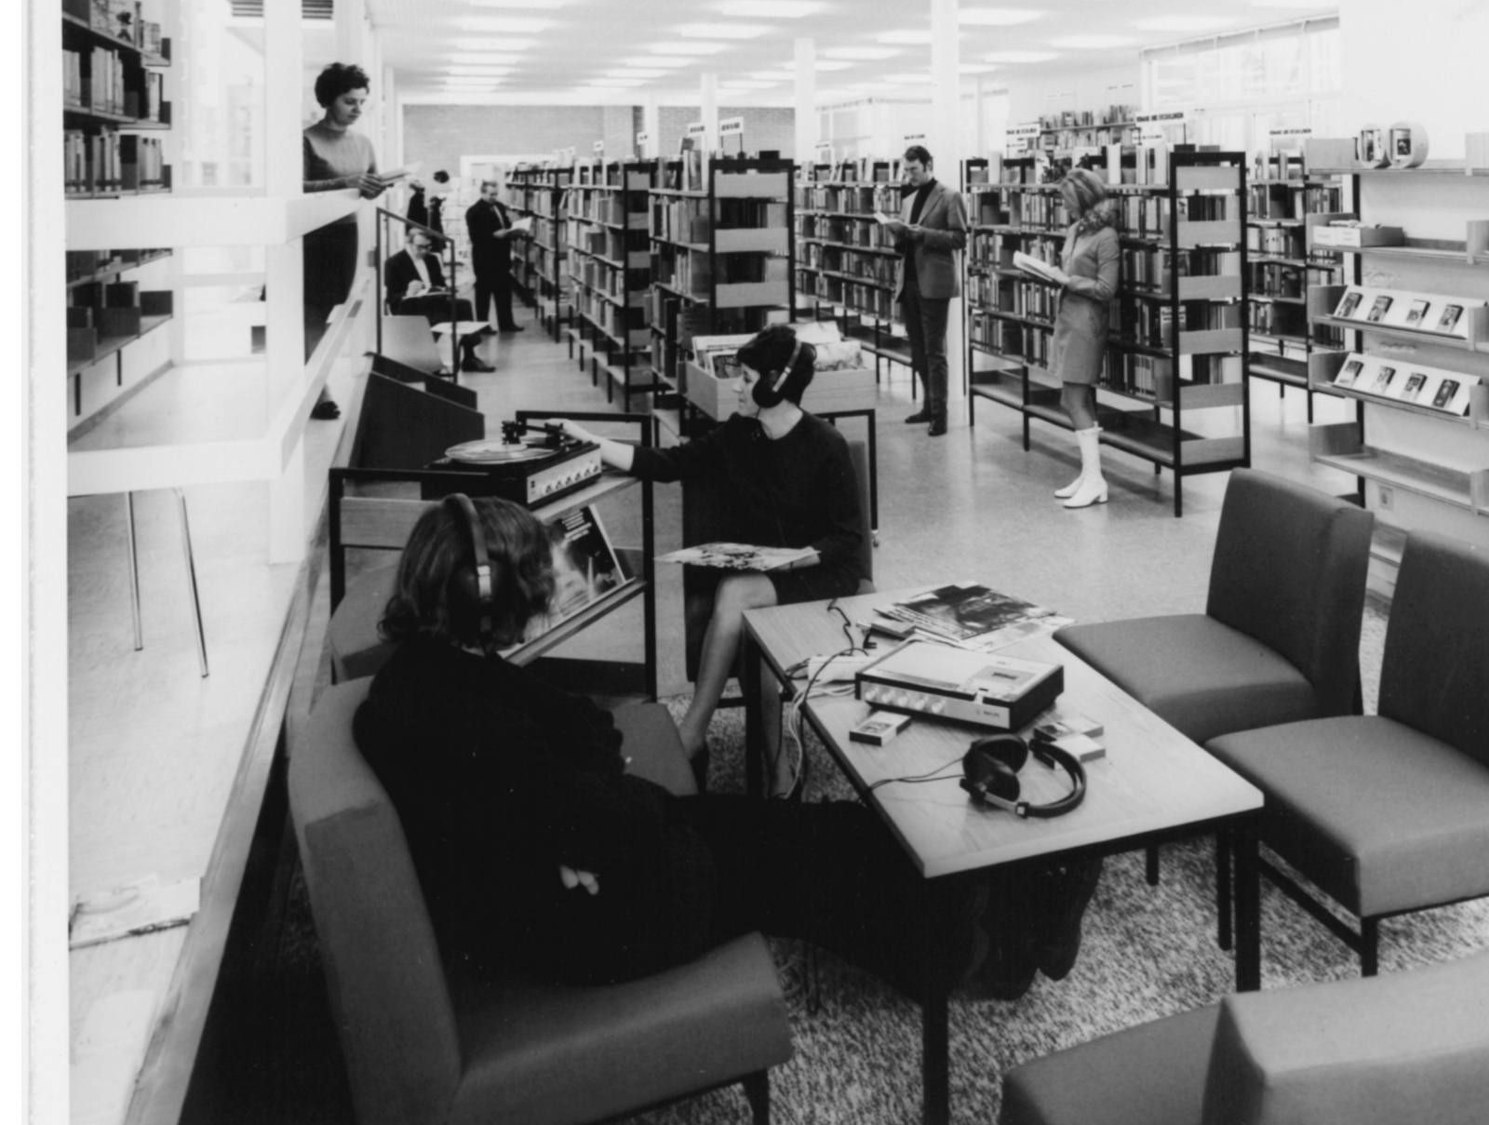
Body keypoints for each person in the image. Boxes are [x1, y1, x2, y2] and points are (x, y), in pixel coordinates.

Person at [353, 492, 1100, 997]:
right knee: (804, 873)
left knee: (805, 834)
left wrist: (576, 826)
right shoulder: (461, 713)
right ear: (488, 597)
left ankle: (990, 912)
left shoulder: (431, 673)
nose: (543, 600)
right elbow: (599, 791)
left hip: (588, 878)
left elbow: (592, 730)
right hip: (581, 926)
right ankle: (991, 951)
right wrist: (582, 827)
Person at [555, 325, 859, 778]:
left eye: (746, 376)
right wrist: (592, 442)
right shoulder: (738, 435)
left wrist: (796, 558)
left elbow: (849, 539)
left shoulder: (826, 444)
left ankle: (693, 733)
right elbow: (668, 464)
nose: (736, 386)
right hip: (766, 578)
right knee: (750, 617)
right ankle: (776, 768)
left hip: (818, 573)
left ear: (774, 383)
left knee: (736, 592)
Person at [302, 62, 388, 419]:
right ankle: (319, 392)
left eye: (361, 102)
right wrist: (346, 183)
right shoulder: (306, 139)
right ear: (328, 99)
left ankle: (313, 386)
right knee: (310, 316)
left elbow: (366, 186)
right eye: (350, 101)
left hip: (344, 235)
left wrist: (373, 187)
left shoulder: (364, 143)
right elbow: (296, 188)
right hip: (311, 238)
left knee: (327, 313)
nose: (357, 109)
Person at [1043, 169, 1122, 509]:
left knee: (1072, 400)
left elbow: (1107, 289)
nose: (1064, 207)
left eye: (1068, 200)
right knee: (1077, 400)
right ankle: (1090, 475)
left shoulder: (1106, 236)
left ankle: (1095, 478)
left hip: (1087, 325)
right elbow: (1068, 271)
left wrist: (1067, 280)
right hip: (1067, 319)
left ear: (1084, 199)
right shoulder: (1075, 230)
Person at [881, 145, 966, 436]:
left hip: (934, 284)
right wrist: (899, 236)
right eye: (905, 170)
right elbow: (905, 239)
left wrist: (924, 235)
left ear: (929, 165)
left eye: (914, 169)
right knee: (918, 351)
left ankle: (940, 416)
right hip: (910, 282)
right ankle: (929, 406)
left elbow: (959, 238)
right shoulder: (909, 197)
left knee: (934, 352)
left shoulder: (950, 196)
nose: (909, 175)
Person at [384, 226, 494, 372]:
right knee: (439, 318)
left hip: (434, 302)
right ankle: (427, 360)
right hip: (411, 307)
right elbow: (392, 298)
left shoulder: (432, 259)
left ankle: (469, 357)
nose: (424, 251)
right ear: (409, 243)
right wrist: (408, 292)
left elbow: (440, 285)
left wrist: (449, 289)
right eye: (420, 247)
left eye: (428, 247)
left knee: (463, 305)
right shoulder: (394, 263)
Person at [464, 179, 528, 332]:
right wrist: (493, 235)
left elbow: (505, 225)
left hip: (501, 257)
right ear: (483, 192)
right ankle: (483, 326)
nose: (494, 197)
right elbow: (475, 237)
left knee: (504, 293)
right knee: (483, 294)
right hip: (484, 259)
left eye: (496, 194)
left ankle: (506, 324)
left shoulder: (499, 206)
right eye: (491, 194)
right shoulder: (474, 211)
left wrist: (513, 232)